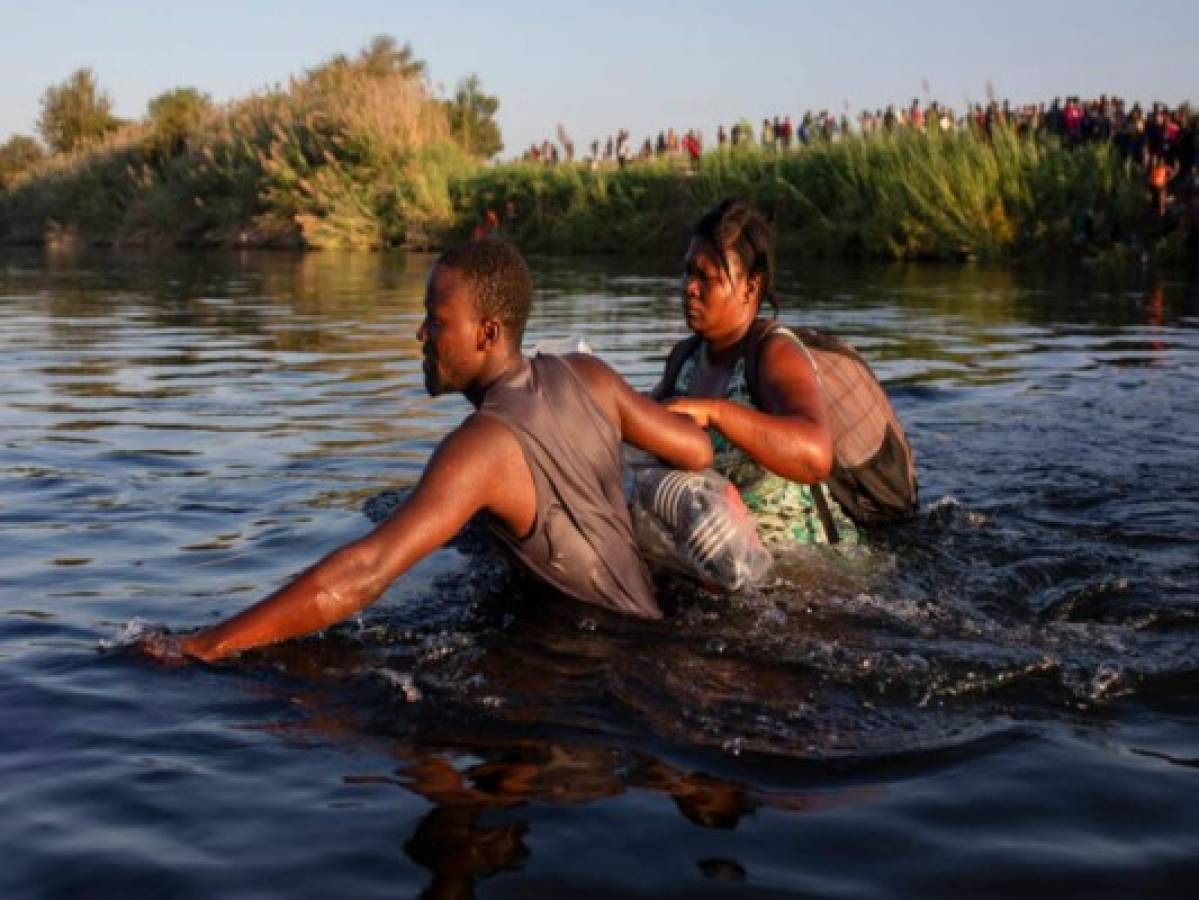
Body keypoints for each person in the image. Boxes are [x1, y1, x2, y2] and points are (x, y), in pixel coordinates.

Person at [141, 240, 713, 663]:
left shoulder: (480, 448)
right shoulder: (588, 375)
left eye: (436, 321)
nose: (421, 334)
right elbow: (695, 450)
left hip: (592, 661)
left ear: (488, 333)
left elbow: (365, 573)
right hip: (651, 624)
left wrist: (204, 644)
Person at [653, 198, 858, 547]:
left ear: (750, 286)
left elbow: (816, 455)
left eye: (706, 277)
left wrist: (714, 412)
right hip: (724, 558)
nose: (688, 287)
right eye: (688, 271)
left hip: (809, 568)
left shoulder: (773, 353)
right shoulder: (685, 358)